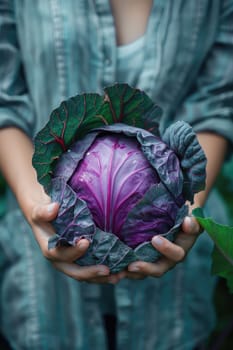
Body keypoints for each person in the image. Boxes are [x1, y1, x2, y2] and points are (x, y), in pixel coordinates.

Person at [0, 1, 232, 349]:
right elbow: (5, 100)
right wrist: (35, 205)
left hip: (173, 307)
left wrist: (188, 210)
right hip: (44, 298)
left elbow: (218, 103)